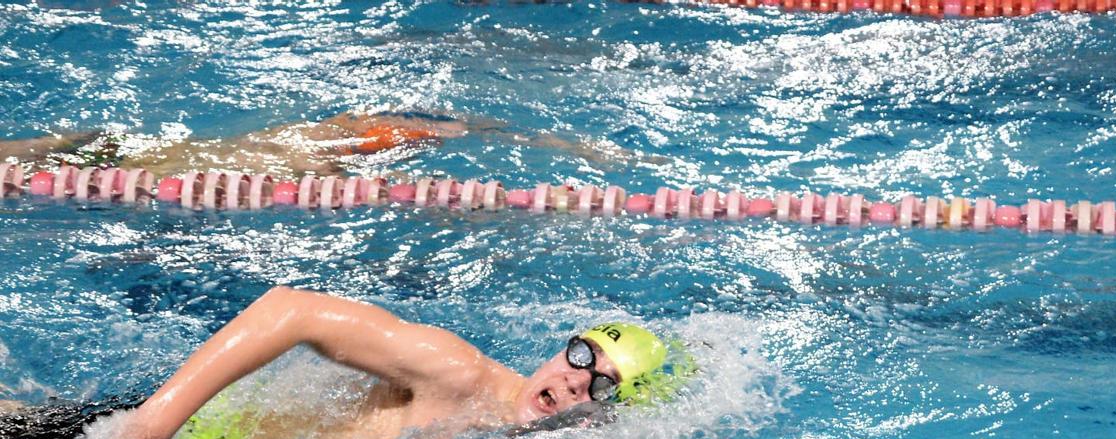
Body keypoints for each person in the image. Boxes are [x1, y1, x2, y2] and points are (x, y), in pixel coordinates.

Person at [1, 286, 983, 439]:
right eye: (578, 356)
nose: (572, 382)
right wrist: (155, 425)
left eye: (603, 385)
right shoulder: (456, 373)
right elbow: (289, 307)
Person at [0, 111, 640, 178]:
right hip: (131, 163)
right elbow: (476, 127)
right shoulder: (348, 142)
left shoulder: (343, 144)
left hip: (137, 162)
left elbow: (476, 127)